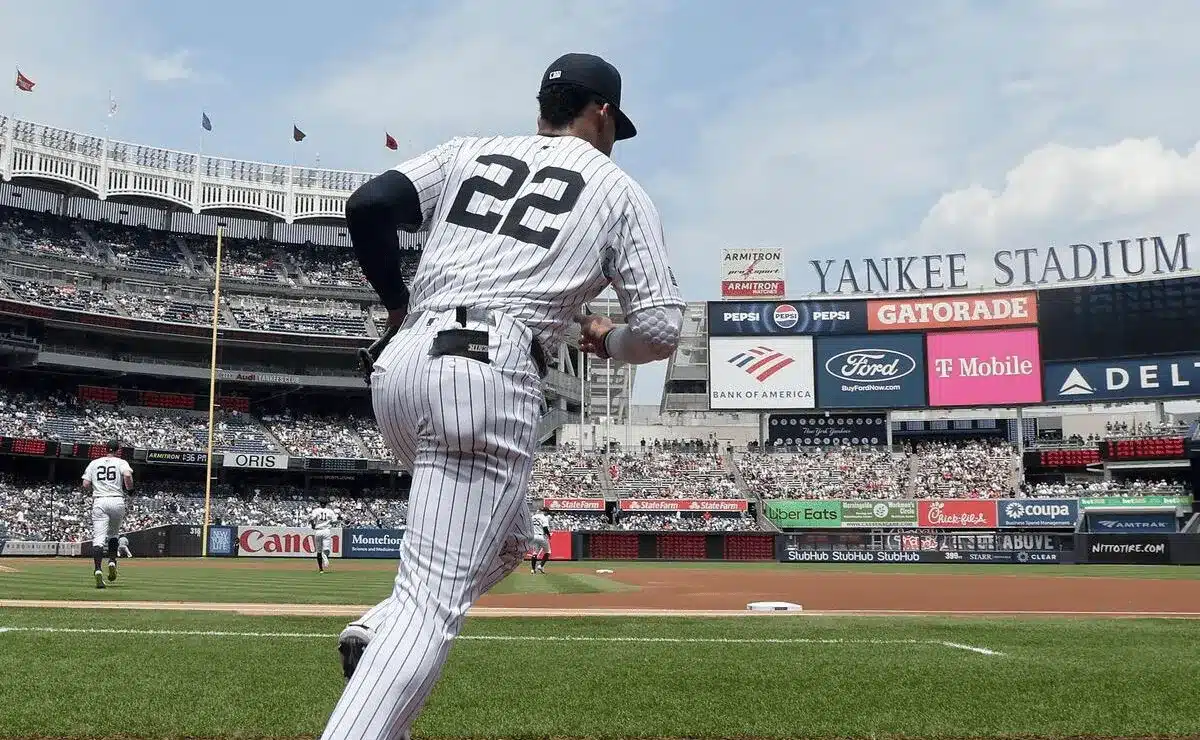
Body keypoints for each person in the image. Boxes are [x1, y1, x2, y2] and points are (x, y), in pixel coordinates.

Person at [322, 52, 684, 740]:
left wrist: (397, 305)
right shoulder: (617, 188)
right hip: (486, 372)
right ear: (601, 112)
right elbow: (663, 327)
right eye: (616, 122)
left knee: (514, 541)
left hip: (399, 371)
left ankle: (378, 629)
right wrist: (608, 341)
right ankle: (385, 658)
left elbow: (369, 204)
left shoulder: (472, 149)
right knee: (433, 604)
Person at [81, 440, 133, 589]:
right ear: (118, 450)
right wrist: (130, 490)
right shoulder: (121, 462)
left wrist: (96, 488)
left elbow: (85, 484)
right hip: (116, 500)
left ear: (106, 449)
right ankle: (111, 561)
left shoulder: (94, 463)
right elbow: (128, 476)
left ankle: (98, 569)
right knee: (114, 534)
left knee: (98, 538)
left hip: (100, 500)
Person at [309, 500, 339, 573]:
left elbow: (311, 519)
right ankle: (325, 557)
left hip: (318, 531)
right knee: (326, 549)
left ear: (320, 504)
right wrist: (329, 523)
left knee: (319, 551)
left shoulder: (316, 510)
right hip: (326, 530)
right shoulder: (330, 511)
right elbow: (335, 521)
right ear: (326, 504)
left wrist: (313, 526)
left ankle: (321, 569)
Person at [529, 505, 553, 573]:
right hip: (541, 536)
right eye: (547, 512)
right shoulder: (544, 517)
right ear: (544, 512)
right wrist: (548, 535)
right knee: (548, 552)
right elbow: (545, 528)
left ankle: (533, 569)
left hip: (534, 536)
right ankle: (541, 566)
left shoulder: (533, 516)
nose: (547, 513)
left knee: (535, 553)